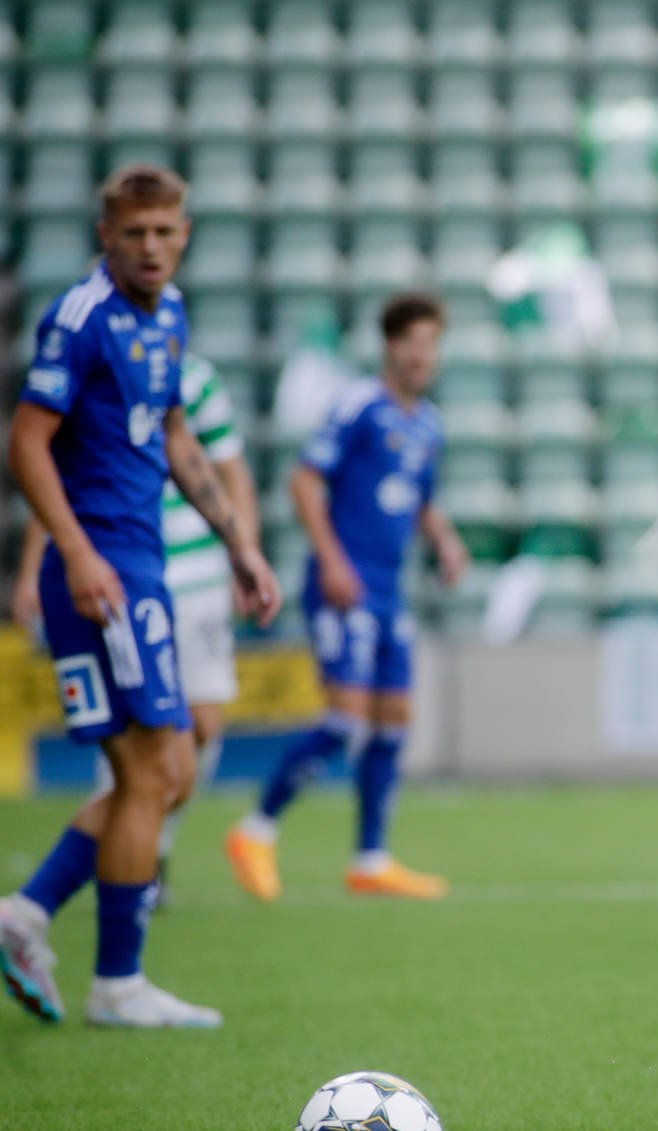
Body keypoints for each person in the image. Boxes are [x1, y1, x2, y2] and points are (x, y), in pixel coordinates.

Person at [0, 164, 280, 1028]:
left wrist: (238, 542)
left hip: (144, 568)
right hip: (106, 577)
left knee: (170, 769)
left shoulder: (169, 317)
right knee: (153, 768)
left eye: (165, 231)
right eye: (135, 233)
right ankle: (117, 984)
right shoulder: (82, 319)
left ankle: (25, 915)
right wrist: (76, 554)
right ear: (105, 237)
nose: (151, 247)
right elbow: (26, 441)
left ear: (184, 234)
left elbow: (174, 435)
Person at [225, 293, 467, 902]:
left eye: (431, 344)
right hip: (344, 585)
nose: (422, 356)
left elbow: (419, 498)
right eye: (412, 343)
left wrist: (445, 540)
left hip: (389, 591)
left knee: (392, 724)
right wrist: (331, 560)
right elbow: (304, 480)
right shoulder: (360, 405)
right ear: (390, 347)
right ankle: (256, 830)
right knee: (344, 720)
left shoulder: (428, 423)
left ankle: (371, 858)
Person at [12, 352, 260, 909]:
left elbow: (226, 465)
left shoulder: (192, 374)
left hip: (196, 576)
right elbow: (48, 467)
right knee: (139, 751)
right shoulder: (87, 354)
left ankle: (143, 853)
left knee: (196, 733)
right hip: (121, 575)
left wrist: (244, 551)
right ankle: (83, 904)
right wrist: (34, 568)